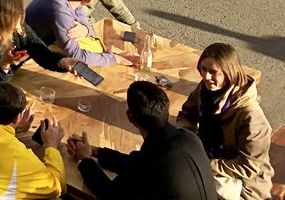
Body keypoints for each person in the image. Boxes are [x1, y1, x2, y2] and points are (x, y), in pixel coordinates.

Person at [68, 81, 219, 200]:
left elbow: (110, 195)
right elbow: (134, 164)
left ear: (130, 116)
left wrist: (85, 160)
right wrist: (94, 151)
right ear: (166, 113)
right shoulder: (189, 137)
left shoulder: (152, 160)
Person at [178, 43, 274, 200]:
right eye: (203, 69)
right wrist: (187, 140)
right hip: (208, 156)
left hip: (244, 183)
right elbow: (187, 114)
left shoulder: (252, 119)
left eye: (213, 72)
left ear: (229, 73)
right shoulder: (206, 90)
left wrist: (206, 164)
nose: (206, 77)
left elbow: (247, 167)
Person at [24, 0, 139, 68]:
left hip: (47, 37)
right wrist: (115, 59)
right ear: (88, 0)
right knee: (91, 60)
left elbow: (87, 26)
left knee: (95, 46)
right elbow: (77, 56)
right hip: (32, 48)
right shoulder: (60, 11)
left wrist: (86, 29)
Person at [0, 0, 74, 85]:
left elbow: (40, 51)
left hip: (16, 80)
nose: (23, 15)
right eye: (19, 14)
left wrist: (62, 62)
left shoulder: (20, 30)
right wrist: (5, 64)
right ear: (6, 19)